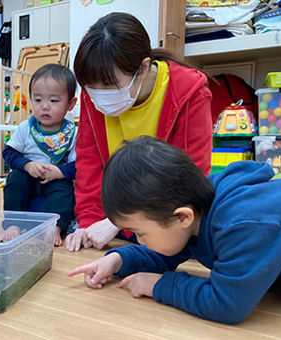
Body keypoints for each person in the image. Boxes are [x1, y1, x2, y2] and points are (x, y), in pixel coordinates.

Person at [68, 136, 281, 324]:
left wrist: (160, 286)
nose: (138, 240)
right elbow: (168, 250)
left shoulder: (241, 224)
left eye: (140, 233)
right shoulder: (193, 209)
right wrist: (118, 259)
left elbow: (228, 304)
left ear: (182, 217)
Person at [65, 12, 213, 252]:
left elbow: (190, 178)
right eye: (91, 89)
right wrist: (89, 222)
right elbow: (89, 165)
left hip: (163, 225)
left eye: (110, 87)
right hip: (117, 224)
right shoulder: (94, 95)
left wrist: (116, 222)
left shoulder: (188, 92)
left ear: (143, 68)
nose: (99, 97)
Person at [2, 64, 77, 246]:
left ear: (70, 104)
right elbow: (9, 153)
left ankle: (56, 227)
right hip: (28, 176)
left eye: (53, 101)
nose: (44, 107)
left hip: (55, 179)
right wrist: (27, 165)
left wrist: (59, 172)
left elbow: (78, 165)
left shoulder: (73, 132)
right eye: (37, 100)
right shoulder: (26, 128)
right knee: (14, 180)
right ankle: (14, 224)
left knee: (64, 190)